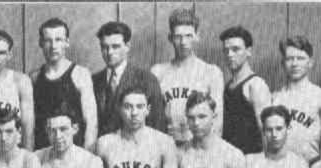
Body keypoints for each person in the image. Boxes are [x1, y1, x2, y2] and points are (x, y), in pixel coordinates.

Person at [151, 8, 224, 145]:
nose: (183, 42)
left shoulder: (211, 72)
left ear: (197, 36)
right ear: (170, 38)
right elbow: (152, 119)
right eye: (178, 36)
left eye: (189, 36)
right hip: (168, 146)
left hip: (198, 147)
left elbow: (217, 122)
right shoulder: (158, 72)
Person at [31, 18, 98, 151]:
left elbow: (91, 123)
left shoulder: (80, 74)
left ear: (67, 42)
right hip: (44, 156)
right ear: (40, 43)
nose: (53, 46)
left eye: (58, 40)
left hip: (73, 157)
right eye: (48, 40)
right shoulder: (34, 77)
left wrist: (85, 159)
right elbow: (30, 126)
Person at [93, 21, 165, 136]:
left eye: (115, 47)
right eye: (104, 47)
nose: (109, 52)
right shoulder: (93, 81)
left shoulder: (147, 80)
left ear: (127, 46)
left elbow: (157, 125)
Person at [273, 36, 321, 164]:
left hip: (311, 165)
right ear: (283, 63)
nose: (295, 64)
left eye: (300, 58)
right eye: (290, 59)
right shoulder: (275, 98)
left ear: (310, 63)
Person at [220, 26, 271, 154]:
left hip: (251, 161)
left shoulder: (256, 85)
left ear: (248, 51)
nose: (230, 55)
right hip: (230, 161)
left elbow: (267, 130)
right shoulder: (228, 86)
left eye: (235, 49)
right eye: (226, 50)